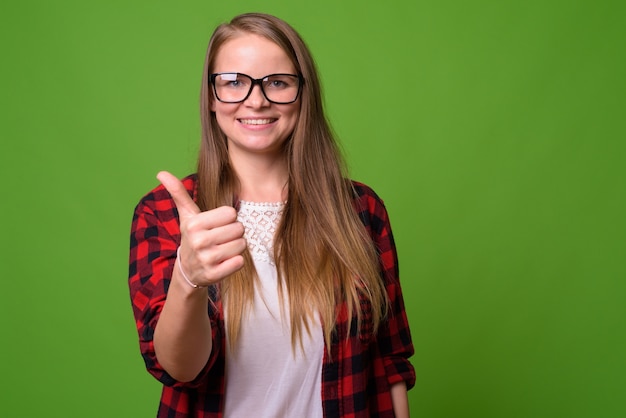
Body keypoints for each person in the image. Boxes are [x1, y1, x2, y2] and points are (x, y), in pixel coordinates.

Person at [129, 12, 415, 418]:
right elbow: (180, 370)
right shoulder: (164, 214)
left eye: (277, 82)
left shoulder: (361, 210)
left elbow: (391, 363)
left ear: (303, 94)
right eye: (234, 83)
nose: (256, 100)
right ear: (211, 97)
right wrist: (188, 277)